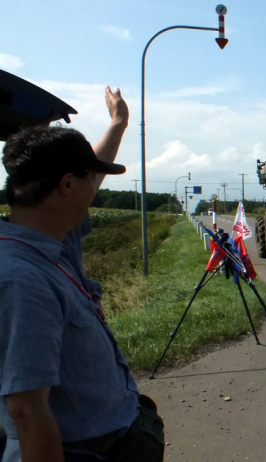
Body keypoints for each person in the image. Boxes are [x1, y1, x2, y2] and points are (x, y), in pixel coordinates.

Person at [0, 87, 164, 462]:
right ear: (67, 186)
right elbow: (27, 412)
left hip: (116, 439)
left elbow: (88, 171)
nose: (96, 190)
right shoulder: (21, 280)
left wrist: (119, 124)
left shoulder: (54, 240)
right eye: (91, 181)